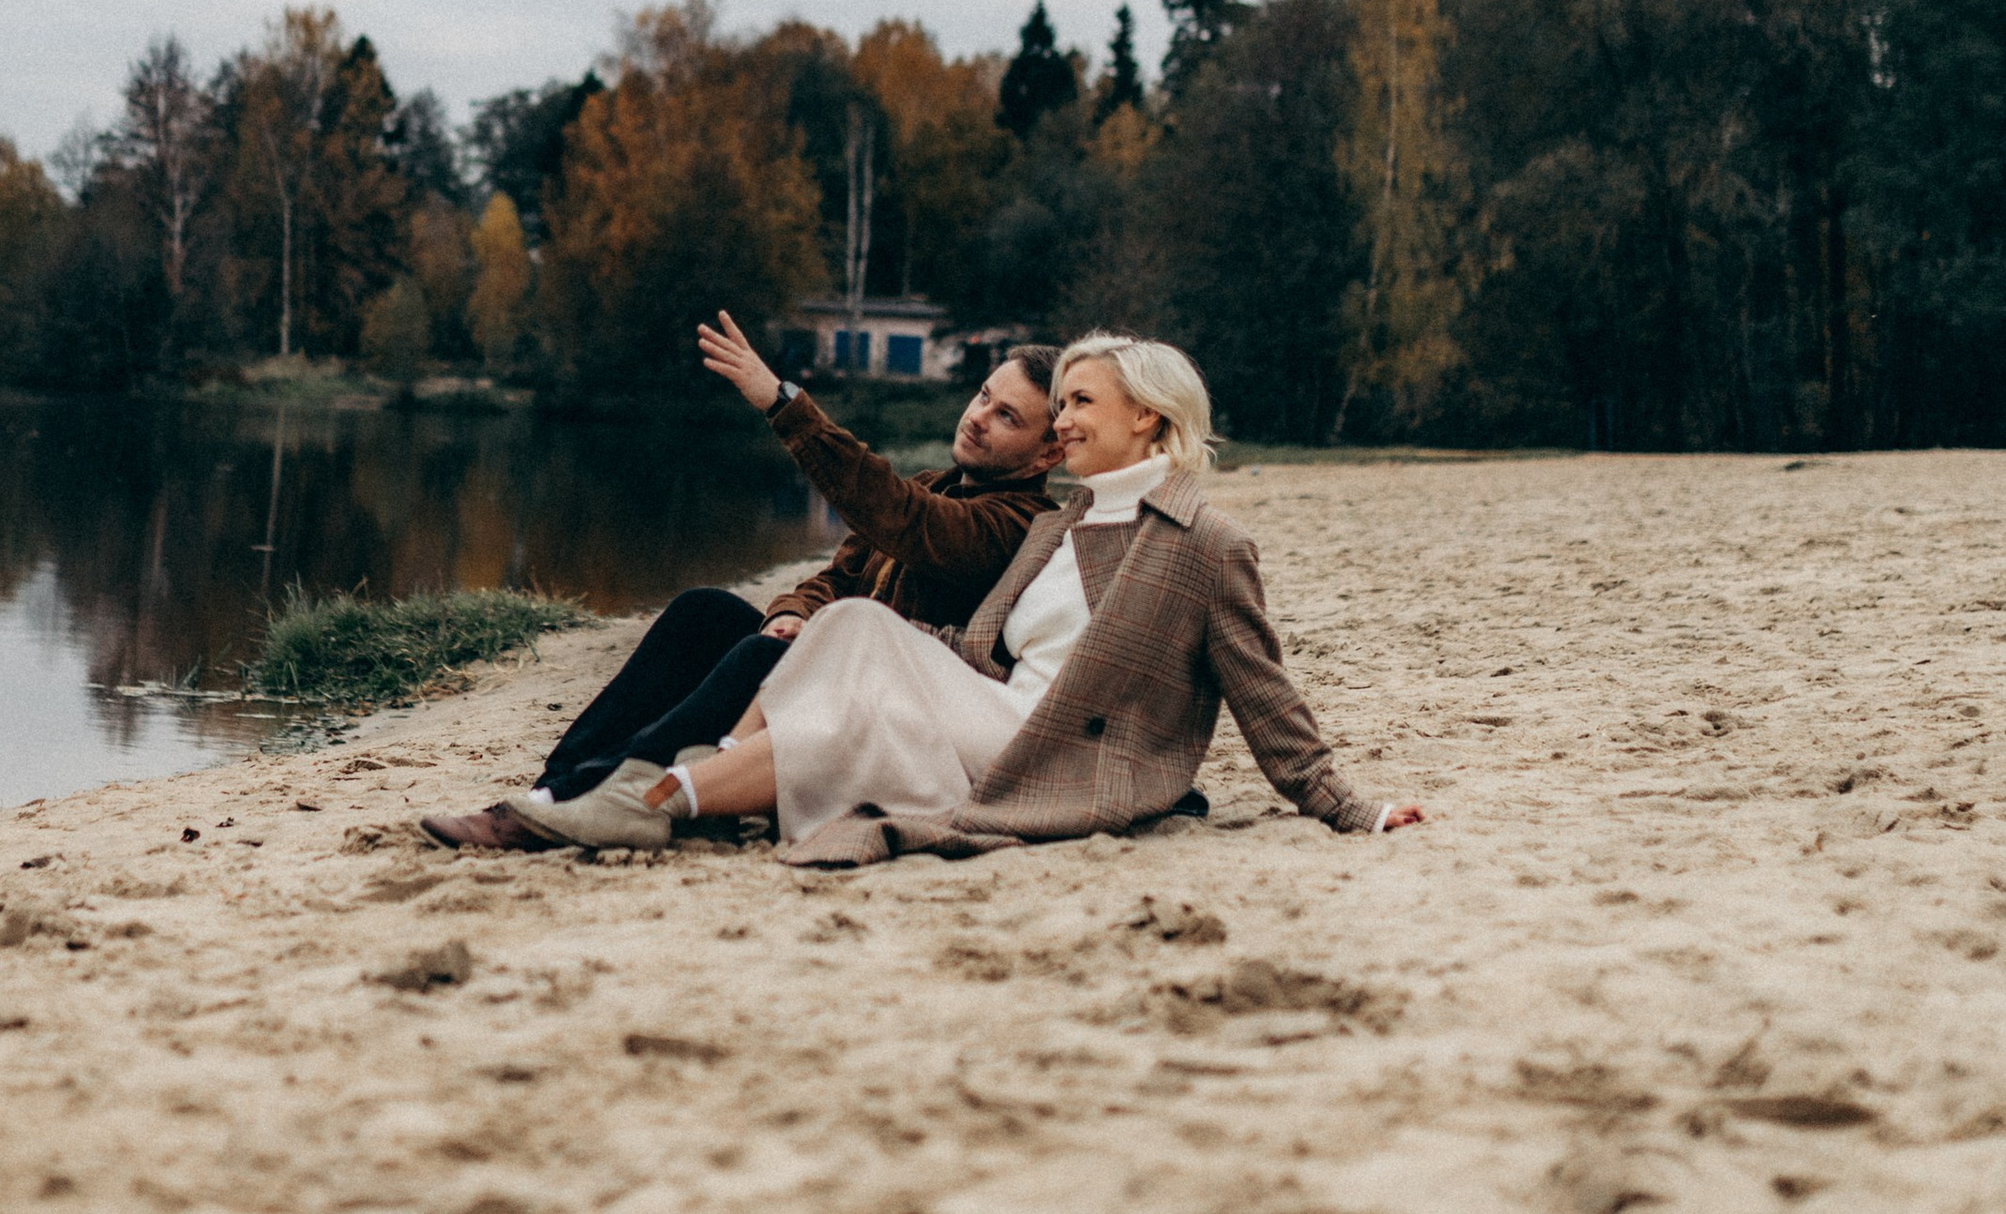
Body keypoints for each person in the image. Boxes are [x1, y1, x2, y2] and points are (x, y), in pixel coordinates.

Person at [525, 331, 1426, 858]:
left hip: (1049, 753)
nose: (1062, 421)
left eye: (1079, 404)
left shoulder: (1204, 544)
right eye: (1059, 404)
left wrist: (1352, 806)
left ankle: (657, 795)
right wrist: (877, 650)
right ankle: (672, 787)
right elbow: (980, 650)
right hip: (994, 710)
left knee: (856, 637)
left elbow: (1265, 694)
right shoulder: (1058, 526)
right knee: (852, 619)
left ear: (1145, 416)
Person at [418, 318, 1061, 852]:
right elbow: (835, 578)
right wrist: (793, 611)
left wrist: (787, 409)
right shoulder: (933, 482)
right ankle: (550, 791)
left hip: (871, 703)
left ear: (1046, 455)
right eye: (983, 395)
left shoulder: (1019, 524)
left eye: (1008, 417)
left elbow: (903, 520)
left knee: (760, 655)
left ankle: (598, 797)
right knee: (705, 612)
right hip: (825, 663)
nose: (979, 417)